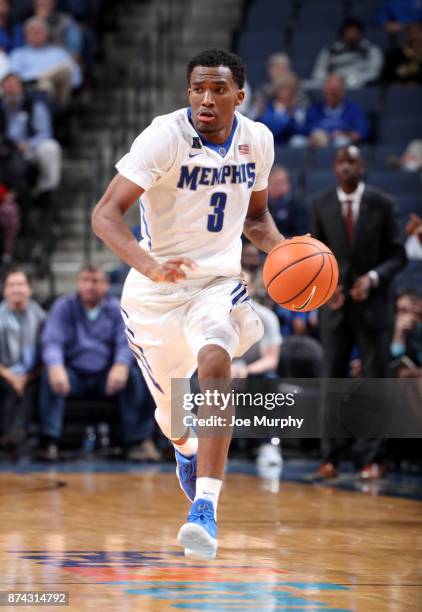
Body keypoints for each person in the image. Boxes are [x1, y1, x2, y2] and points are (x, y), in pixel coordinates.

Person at [91, 48, 285, 560]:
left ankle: (206, 506)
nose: (205, 98)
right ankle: (185, 451)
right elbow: (106, 214)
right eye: (198, 88)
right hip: (154, 295)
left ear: (239, 96)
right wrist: (149, 264)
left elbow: (258, 221)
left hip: (215, 284)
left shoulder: (258, 141)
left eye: (218, 89)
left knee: (217, 358)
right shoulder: (164, 136)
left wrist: (288, 252)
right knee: (172, 416)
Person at [310, 145, 407, 479]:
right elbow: (316, 255)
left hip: (375, 305)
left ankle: (371, 458)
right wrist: (327, 287)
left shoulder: (383, 203)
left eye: (352, 160)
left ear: (363, 165)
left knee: (376, 381)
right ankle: (331, 457)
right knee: (331, 380)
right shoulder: (321, 204)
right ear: (334, 167)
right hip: (336, 306)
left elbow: (399, 255)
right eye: (340, 161)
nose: (346, 166)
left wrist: (373, 278)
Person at [38, 264, 160, 462]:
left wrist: (121, 364)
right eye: (85, 281)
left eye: (95, 281)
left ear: (105, 285)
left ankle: (137, 442)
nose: (89, 286)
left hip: (107, 375)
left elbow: (126, 340)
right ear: (78, 283)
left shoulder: (116, 308)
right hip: (73, 375)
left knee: (135, 377)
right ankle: (49, 441)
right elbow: (52, 340)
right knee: (48, 376)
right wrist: (55, 365)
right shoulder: (64, 306)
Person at [0, 268, 45, 453]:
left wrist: (26, 377)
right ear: (4, 290)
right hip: (3, 372)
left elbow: (47, 354)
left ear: (29, 289)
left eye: (21, 284)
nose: (16, 289)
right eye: (11, 285)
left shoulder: (42, 317)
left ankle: (16, 435)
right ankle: (10, 436)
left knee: (34, 387)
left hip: (33, 374)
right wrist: (10, 376)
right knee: (8, 388)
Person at [0, 72, 62, 199]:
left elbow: (45, 133)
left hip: (30, 149)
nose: (11, 88)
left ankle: (45, 189)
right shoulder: (1, 107)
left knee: (51, 147)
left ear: (21, 87)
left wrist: (28, 144)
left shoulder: (34, 104)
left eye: (14, 85)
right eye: (7, 85)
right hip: (6, 150)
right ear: (2, 88)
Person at [9, 16, 81, 106]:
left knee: (66, 68)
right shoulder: (18, 54)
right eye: (33, 32)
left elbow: (76, 77)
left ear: (47, 34)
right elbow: (13, 79)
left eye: (39, 32)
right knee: (45, 85)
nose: (36, 35)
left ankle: (41, 80)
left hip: (59, 94)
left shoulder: (59, 52)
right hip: (29, 91)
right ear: (25, 35)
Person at [311, 18, 383, 89]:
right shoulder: (330, 50)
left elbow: (374, 73)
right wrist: (332, 80)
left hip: (359, 83)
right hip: (333, 83)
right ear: (343, 33)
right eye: (349, 32)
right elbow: (318, 72)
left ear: (360, 33)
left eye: (355, 31)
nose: (351, 34)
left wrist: (350, 79)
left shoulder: (371, 49)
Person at [305, 74, 370, 147]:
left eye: (335, 91)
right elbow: (305, 130)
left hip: (342, 147)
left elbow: (362, 132)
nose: (331, 94)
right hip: (318, 147)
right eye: (328, 91)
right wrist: (313, 136)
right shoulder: (314, 109)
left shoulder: (354, 109)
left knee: (341, 142)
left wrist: (344, 134)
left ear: (342, 91)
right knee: (297, 141)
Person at [256, 73, 307, 145]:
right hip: (270, 144)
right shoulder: (268, 107)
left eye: (289, 89)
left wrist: (291, 114)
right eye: (282, 89)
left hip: (289, 146)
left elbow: (300, 130)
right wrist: (287, 116)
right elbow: (270, 128)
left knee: (298, 141)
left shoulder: (298, 108)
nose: (286, 93)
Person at [267, 164, 308, 237]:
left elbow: (302, 235)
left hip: (290, 245)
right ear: (267, 185)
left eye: (283, 183)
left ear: (288, 184)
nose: (280, 187)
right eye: (276, 184)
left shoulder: (298, 207)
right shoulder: (260, 206)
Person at [0, 182, 20, 264]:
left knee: (10, 241)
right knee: (5, 241)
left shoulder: (14, 206)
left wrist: (16, 224)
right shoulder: (3, 206)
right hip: (4, 227)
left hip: (12, 227)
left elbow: (17, 216)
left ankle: (8, 255)